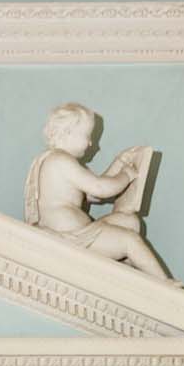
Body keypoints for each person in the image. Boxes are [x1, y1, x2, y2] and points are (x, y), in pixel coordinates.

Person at [23, 103, 169, 279]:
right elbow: (100, 189)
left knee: (130, 221)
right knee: (130, 240)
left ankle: (127, 268)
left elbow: (93, 195)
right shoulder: (61, 160)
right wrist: (126, 175)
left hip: (80, 234)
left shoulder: (56, 162)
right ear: (67, 132)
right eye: (87, 136)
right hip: (70, 238)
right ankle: (165, 284)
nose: (91, 143)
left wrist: (120, 162)